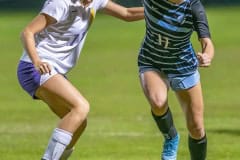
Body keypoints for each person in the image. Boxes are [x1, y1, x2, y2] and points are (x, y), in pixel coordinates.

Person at [17, 0, 144, 159]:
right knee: (81, 107)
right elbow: (27, 32)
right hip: (35, 68)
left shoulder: (96, 1)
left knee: (79, 124)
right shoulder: (60, 4)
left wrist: (160, 9)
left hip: (53, 71)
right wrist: (36, 60)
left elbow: (127, 14)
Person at [138, 0, 214, 159]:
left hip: (182, 65)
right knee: (158, 102)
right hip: (152, 60)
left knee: (196, 128)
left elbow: (207, 41)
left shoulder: (193, 7)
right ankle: (171, 138)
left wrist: (207, 56)